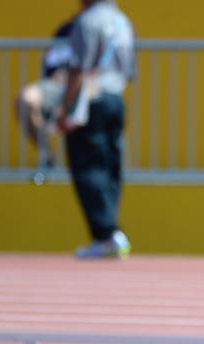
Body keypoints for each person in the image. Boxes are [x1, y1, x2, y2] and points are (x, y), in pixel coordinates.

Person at [55, 0, 134, 259]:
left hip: (91, 99)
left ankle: (105, 233)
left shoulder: (87, 21)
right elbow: (128, 69)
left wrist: (65, 107)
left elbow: (79, 67)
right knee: (111, 165)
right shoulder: (122, 21)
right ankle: (111, 230)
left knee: (87, 165)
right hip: (115, 96)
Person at [16, 14, 79, 171]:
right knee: (25, 100)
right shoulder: (67, 29)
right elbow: (51, 65)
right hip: (57, 88)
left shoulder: (110, 26)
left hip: (89, 91)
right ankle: (48, 156)